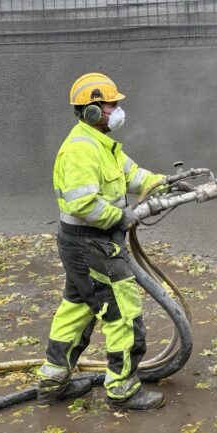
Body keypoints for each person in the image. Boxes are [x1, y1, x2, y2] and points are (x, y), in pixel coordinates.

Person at [36, 72, 168, 410]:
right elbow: (83, 203)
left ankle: (53, 382)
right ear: (93, 110)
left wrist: (168, 184)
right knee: (123, 313)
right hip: (91, 245)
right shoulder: (80, 150)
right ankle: (122, 389)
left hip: (89, 244)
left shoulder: (103, 146)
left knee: (78, 309)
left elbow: (136, 177)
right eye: (113, 104)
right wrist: (122, 217)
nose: (118, 109)